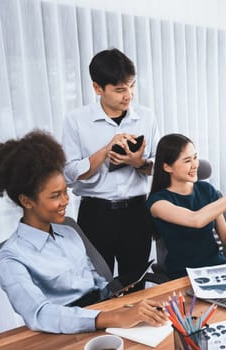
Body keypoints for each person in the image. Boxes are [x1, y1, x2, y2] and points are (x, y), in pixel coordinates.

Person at [0, 130, 167, 334]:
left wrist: (126, 302)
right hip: (68, 331)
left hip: (105, 315)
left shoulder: (69, 231)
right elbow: (39, 314)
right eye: (55, 196)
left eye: (65, 192)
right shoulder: (10, 257)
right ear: (26, 201)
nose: (66, 201)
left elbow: (99, 285)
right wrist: (115, 317)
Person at [61, 48, 160, 289]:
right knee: (97, 287)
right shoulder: (76, 120)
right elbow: (69, 174)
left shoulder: (146, 117)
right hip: (96, 215)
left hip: (137, 213)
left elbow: (160, 167)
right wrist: (106, 150)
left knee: (136, 285)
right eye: (120, 89)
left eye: (131, 86)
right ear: (97, 88)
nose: (129, 95)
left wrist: (137, 162)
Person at [147, 133, 226, 279]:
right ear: (167, 167)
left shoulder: (206, 190)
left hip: (219, 270)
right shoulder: (157, 202)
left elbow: (225, 236)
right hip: (185, 276)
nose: (195, 165)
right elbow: (196, 220)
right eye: (187, 160)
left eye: (195, 157)